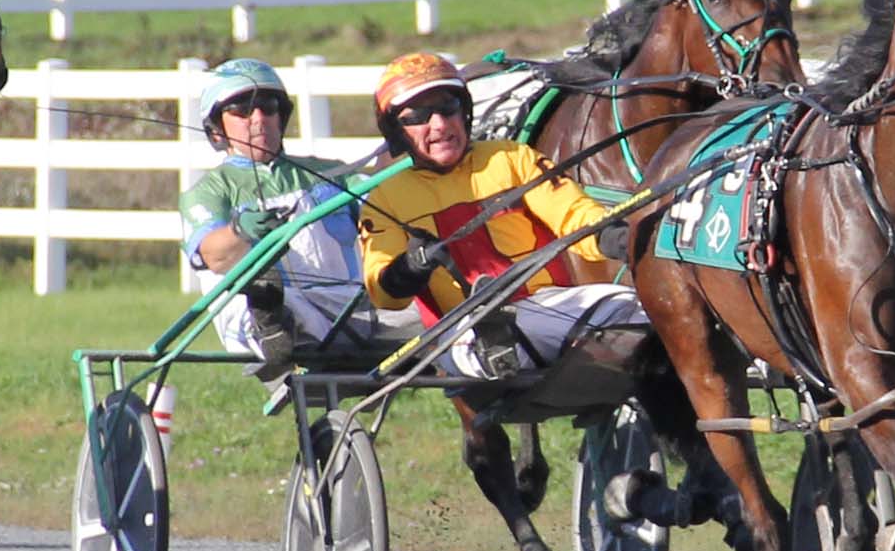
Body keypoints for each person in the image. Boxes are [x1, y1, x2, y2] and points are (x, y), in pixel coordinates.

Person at [357, 52, 641, 380]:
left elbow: (573, 214)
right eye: (418, 115)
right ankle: (497, 340)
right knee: (473, 336)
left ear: (464, 112)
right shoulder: (385, 199)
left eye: (447, 107)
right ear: (396, 132)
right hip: (458, 328)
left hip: (547, 308)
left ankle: (514, 344)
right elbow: (383, 293)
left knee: (627, 305)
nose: (439, 124)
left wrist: (619, 237)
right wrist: (409, 268)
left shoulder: (513, 158)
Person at [179, 58, 387, 378]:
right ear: (216, 129)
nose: (259, 118)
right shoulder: (208, 192)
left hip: (347, 308)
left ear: (282, 116)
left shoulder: (330, 173)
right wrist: (240, 231)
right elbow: (213, 255)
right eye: (242, 110)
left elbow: (384, 197)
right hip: (256, 316)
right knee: (271, 297)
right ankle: (272, 321)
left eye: (268, 106)